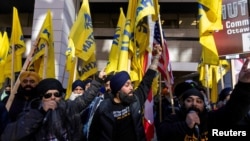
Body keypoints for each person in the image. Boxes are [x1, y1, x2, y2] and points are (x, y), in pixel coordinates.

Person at [158, 57, 250, 141]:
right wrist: (185, 125)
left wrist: (243, 85)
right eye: (189, 100)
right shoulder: (173, 119)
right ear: (183, 102)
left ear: (204, 104)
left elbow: (234, 111)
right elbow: (163, 133)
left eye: (199, 101)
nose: (194, 104)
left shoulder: (211, 119)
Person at [1, 71, 106, 141]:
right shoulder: (31, 112)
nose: (52, 98)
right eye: (48, 95)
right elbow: (11, 134)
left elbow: (86, 98)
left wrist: (98, 80)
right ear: (41, 98)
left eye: (56, 94)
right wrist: (40, 112)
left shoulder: (69, 107)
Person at [88, 44, 162, 141]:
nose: (131, 87)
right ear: (117, 90)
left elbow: (147, 81)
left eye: (131, 84)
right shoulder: (104, 108)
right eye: (127, 85)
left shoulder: (135, 99)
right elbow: (93, 134)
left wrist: (156, 57)